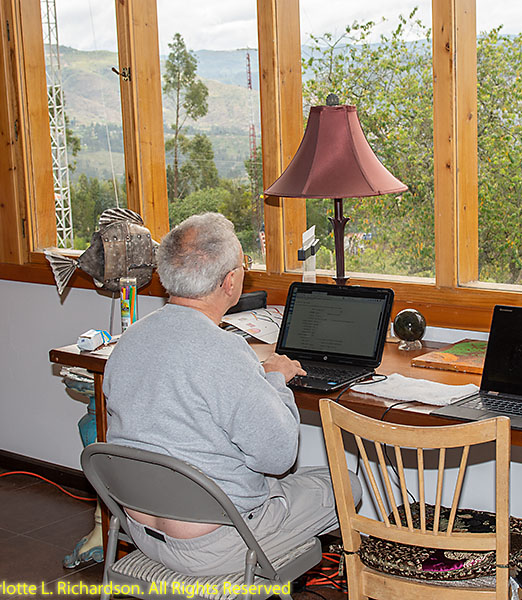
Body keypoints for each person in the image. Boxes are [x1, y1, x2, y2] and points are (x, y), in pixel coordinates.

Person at [103, 212, 361, 576]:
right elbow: (279, 457)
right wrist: (274, 380)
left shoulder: (129, 341)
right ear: (230, 281)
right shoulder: (224, 352)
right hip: (216, 546)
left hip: (141, 533)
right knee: (347, 484)